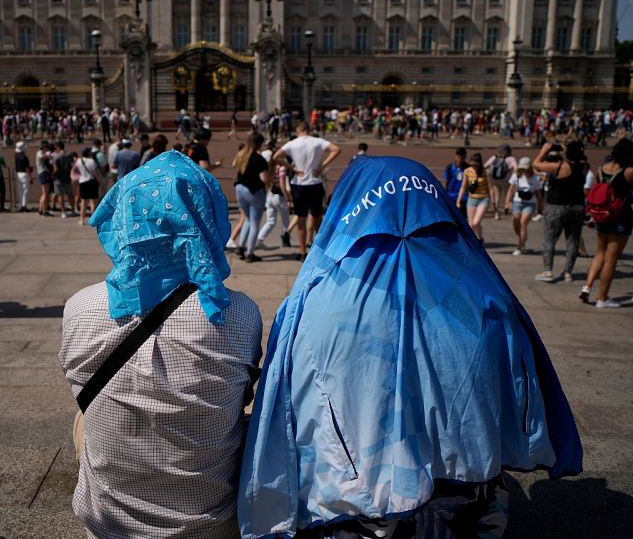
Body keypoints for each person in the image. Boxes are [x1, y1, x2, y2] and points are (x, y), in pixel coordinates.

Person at [238, 155, 582, 538]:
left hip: (358, 502)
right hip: (466, 494)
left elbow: (292, 404)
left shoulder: (318, 298)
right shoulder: (487, 293)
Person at [59, 150, 263, 539]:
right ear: (208, 220)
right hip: (209, 525)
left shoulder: (79, 308)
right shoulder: (237, 312)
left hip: (108, 526)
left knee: (85, 417)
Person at [579, 138, 633, 308]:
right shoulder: (630, 172)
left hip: (602, 214)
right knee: (611, 259)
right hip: (620, 217)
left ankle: (587, 287)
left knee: (599, 252)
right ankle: (602, 298)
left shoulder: (602, 168)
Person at [272, 123, 341, 261]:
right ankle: (321, 249)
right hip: (315, 183)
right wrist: (322, 166)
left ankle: (303, 252)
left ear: (298, 131)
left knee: (301, 219)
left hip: (299, 183)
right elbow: (336, 149)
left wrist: (291, 167)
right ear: (308, 130)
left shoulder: (292, 143)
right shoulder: (317, 141)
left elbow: (276, 157)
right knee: (317, 217)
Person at [533, 141, 588, 283]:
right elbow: (578, 159)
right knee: (573, 240)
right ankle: (568, 272)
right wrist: (569, 151)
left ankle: (548, 271)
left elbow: (536, 164)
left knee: (550, 238)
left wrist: (544, 151)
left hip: (557, 206)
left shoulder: (561, 166)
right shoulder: (583, 167)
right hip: (577, 207)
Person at [233, 131, 269, 262]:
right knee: (255, 223)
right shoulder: (259, 159)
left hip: (239, 188)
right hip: (254, 190)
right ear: (259, 144)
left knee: (247, 218)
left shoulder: (241, 154)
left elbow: (234, 165)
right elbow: (264, 178)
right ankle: (250, 253)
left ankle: (241, 246)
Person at [507, 157, 540, 255]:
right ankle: (522, 238)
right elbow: (511, 190)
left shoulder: (534, 178)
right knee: (516, 221)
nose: (524, 170)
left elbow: (538, 194)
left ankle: (519, 246)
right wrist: (507, 202)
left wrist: (540, 207)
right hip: (518, 201)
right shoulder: (516, 176)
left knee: (523, 223)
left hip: (530, 203)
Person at [456, 152, 491, 241]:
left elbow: (491, 187)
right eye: (472, 163)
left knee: (476, 222)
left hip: (483, 198)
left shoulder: (485, 171)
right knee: (471, 224)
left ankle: (479, 238)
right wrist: (458, 200)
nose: (474, 166)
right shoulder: (467, 171)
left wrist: (494, 203)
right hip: (472, 199)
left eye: (476, 164)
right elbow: (463, 187)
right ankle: (477, 240)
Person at [486, 144, 517, 220]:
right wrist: (513, 175)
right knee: (509, 196)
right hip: (506, 180)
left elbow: (485, 165)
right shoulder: (511, 158)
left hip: (495, 180)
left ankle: (496, 214)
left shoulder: (494, 157)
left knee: (497, 197)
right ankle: (513, 214)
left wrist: (489, 174)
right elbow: (516, 168)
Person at [74, 146, 102, 226]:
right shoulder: (92, 161)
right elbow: (95, 173)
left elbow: (76, 170)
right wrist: (99, 181)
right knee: (93, 201)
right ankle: (93, 220)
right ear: (89, 153)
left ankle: (82, 220)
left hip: (82, 181)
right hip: (92, 181)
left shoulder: (78, 161)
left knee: (84, 202)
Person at [51, 141, 75, 218]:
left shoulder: (56, 157)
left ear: (58, 147)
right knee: (70, 195)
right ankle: (73, 210)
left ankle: (63, 212)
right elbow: (72, 165)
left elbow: (56, 169)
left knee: (60, 196)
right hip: (68, 178)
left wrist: (51, 173)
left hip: (58, 179)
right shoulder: (69, 155)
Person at [443, 147, 469, 215]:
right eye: (458, 158)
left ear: (465, 157)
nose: (460, 160)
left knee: (463, 217)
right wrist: (444, 194)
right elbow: (446, 181)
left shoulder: (468, 168)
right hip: (451, 196)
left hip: (464, 197)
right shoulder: (450, 167)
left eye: (462, 158)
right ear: (456, 156)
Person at [36, 141, 54, 216]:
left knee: (44, 193)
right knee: (45, 194)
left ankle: (41, 209)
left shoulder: (43, 153)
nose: (47, 149)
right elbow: (41, 157)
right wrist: (49, 155)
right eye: (47, 147)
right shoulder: (40, 153)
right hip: (43, 173)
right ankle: (44, 211)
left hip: (44, 173)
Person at [14, 142, 32, 212]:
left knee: (20, 190)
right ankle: (24, 206)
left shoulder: (16, 155)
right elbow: (27, 168)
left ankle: (21, 205)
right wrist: (30, 177)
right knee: (25, 191)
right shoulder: (25, 157)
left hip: (18, 173)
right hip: (24, 174)